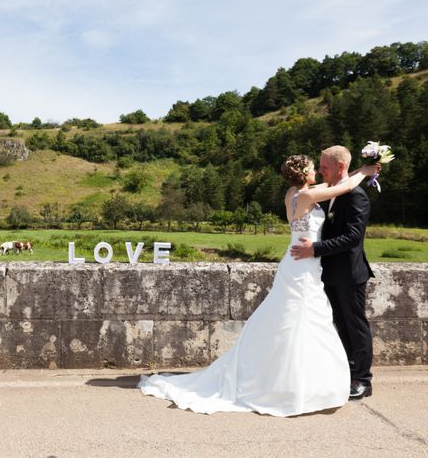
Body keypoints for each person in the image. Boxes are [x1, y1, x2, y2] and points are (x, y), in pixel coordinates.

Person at [138, 154, 379, 417]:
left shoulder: (294, 193)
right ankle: (295, 382)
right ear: (303, 173)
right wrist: (366, 172)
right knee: (297, 318)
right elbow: (342, 187)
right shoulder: (308, 197)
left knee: (296, 318)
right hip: (303, 262)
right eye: (313, 168)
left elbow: (337, 186)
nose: (318, 173)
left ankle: (302, 377)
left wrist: (358, 169)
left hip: (299, 262)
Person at [290, 146, 376, 400]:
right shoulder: (332, 193)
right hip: (329, 272)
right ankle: (348, 373)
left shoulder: (357, 196)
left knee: (355, 325)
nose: (321, 170)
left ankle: (363, 379)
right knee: (341, 325)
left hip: (350, 273)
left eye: (324, 166)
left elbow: (352, 237)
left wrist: (314, 249)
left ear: (339, 167)